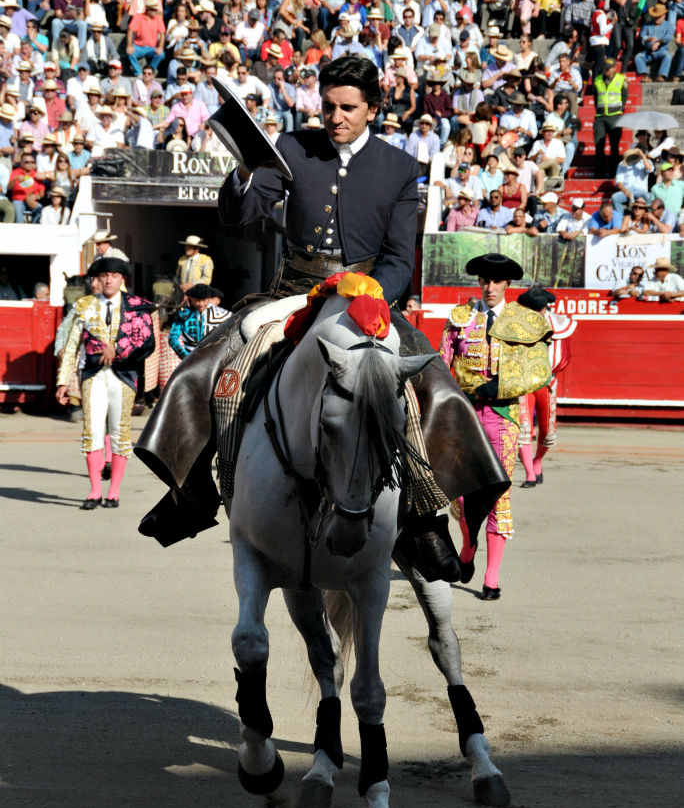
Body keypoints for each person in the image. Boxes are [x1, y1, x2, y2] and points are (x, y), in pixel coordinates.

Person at [137, 55, 509, 584]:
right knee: (199, 370)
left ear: (373, 109)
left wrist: (374, 296)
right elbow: (241, 216)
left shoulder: (400, 168)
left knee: (437, 388)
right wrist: (245, 171)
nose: (335, 117)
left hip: (368, 296)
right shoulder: (290, 147)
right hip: (292, 291)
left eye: (348, 108)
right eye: (329, 106)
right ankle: (193, 492)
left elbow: (401, 255)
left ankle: (425, 516)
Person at [439, 253, 552, 599]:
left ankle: (491, 578)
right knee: (459, 491)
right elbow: (442, 363)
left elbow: (538, 370)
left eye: (496, 281)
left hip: (502, 417)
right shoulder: (461, 318)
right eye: (484, 281)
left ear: (507, 285)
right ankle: (469, 543)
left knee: (498, 495)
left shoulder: (524, 321)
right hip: (464, 415)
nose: (489, 287)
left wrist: (500, 387)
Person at [55, 258, 155, 509]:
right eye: (105, 275)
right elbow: (71, 347)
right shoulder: (84, 305)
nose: (109, 280)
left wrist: (117, 348)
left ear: (123, 279)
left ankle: (114, 492)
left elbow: (146, 341)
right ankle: (94, 491)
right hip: (93, 374)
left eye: (114, 275)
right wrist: (63, 381)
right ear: (98, 279)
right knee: (92, 431)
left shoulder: (137, 306)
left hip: (123, 374)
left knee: (120, 432)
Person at [516, 284, 576, 487]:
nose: (536, 312)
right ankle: (530, 474)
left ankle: (537, 462)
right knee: (524, 428)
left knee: (547, 431)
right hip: (523, 383)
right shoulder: (517, 324)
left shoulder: (557, 323)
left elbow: (564, 356)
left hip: (547, 382)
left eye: (539, 308)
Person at [168, 283, 232, 358]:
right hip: (190, 359)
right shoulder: (183, 315)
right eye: (197, 300)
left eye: (204, 300)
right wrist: (185, 357)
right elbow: (172, 339)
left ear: (209, 299)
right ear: (191, 299)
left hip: (214, 359)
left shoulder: (224, 315)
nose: (201, 304)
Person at [592, 57, 627, 178]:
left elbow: (624, 96)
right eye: (605, 68)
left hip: (614, 116)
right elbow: (595, 97)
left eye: (609, 68)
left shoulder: (621, 79)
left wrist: (619, 111)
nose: (606, 70)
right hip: (600, 117)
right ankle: (599, 173)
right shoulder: (597, 79)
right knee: (599, 146)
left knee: (614, 146)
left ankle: (614, 173)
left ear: (614, 68)